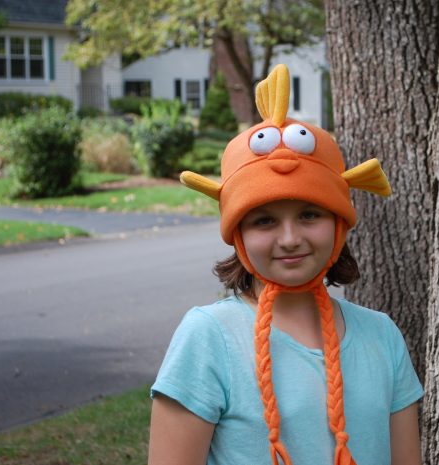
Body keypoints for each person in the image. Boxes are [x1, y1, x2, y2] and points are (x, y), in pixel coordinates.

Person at [148, 64, 424, 465]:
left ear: (339, 224)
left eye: (310, 214)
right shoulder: (208, 338)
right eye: (265, 220)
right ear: (238, 233)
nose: (290, 237)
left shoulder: (382, 337)